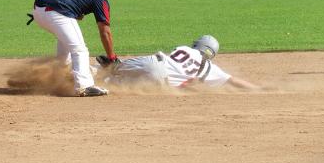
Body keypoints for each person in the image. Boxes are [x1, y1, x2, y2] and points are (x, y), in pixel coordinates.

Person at [30, 0, 120, 97]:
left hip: (37, 10)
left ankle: (61, 79)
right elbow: (105, 31)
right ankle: (84, 86)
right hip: (58, 12)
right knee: (80, 50)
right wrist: (112, 57)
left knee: (66, 48)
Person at [96, 35, 260, 91]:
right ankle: (103, 82)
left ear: (199, 45)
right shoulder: (207, 66)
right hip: (161, 81)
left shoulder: (185, 49)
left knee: (114, 67)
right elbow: (232, 80)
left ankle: (95, 71)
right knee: (116, 84)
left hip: (154, 62)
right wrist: (257, 89)